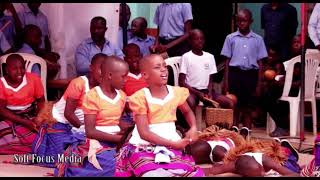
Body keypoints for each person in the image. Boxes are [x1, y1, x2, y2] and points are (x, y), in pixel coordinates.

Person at [115, 54, 204, 177]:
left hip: (172, 139)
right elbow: (144, 133)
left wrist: (193, 127)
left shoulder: (176, 92)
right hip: (144, 145)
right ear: (145, 75)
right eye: (157, 67)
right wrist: (172, 145)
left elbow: (187, 111)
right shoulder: (140, 97)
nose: (163, 69)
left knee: (184, 170)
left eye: (165, 66)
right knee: (152, 174)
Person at [55, 56, 129, 177]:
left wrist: (130, 131)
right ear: (110, 75)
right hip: (97, 142)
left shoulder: (122, 96)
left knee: (136, 157)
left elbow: (115, 122)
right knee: (115, 164)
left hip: (116, 140)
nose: (126, 80)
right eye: (123, 76)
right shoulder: (92, 96)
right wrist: (120, 139)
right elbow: (90, 132)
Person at [32, 53, 106, 168]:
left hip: (82, 127)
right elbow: (68, 114)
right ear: (91, 68)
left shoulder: (104, 87)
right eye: (100, 68)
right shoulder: (79, 83)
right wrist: (86, 132)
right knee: (64, 154)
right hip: (60, 123)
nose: (104, 72)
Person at [221, 9, 268, 130]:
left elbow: (260, 62)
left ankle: (247, 133)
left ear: (250, 21)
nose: (241, 23)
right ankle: (235, 132)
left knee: (248, 107)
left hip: (251, 75)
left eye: (244, 21)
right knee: (234, 105)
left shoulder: (258, 39)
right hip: (235, 74)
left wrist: (259, 83)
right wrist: (225, 82)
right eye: (239, 21)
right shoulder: (230, 38)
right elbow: (227, 61)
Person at [179, 29, 235, 116]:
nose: (200, 41)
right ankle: (191, 127)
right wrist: (197, 93)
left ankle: (224, 128)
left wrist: (209, 92)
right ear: (190, 41)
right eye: (196, 39)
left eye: (202, 39)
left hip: (206, 91)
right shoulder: (186, 57)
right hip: (191, 91)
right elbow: (181, 82)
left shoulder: (210, 57)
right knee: (191, 102)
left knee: (229, 103)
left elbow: (210, 78)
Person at [0, 53, 45, 154]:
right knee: (4, 132)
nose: (19, 72)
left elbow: (41, 101)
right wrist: (24, 122)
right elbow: (1, 110)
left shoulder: (33, 79)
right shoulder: (1, 84)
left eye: (22, 68)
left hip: (30, 115)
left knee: (45, 133)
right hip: (9, 118)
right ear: (7, 70)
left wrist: (39, 117)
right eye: (14, 69)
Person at [204, 139, 300, 177]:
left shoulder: (266, 161)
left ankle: (287, 149)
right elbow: (211, 170)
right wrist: (192, 169)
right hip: (244, 160)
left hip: (274, 156)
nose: (262, 174)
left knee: (290, 165)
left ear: (260, 165)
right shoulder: (234, 166)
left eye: (260, 171)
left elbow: (294, 175)